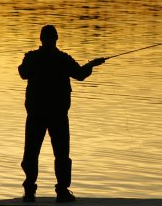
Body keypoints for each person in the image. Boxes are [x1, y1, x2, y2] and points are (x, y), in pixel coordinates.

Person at [18, 25, 105, 203]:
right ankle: (62, 191)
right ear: (56, 39)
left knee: (32, 152)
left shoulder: (33, 57)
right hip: (56, 114)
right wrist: (92, 65)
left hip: (37, 114)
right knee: (61, 153)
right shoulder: (62, 59)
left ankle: (29, 192)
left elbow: (22, 72)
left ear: (41, 39)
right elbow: (80, 74)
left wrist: (31, 61)